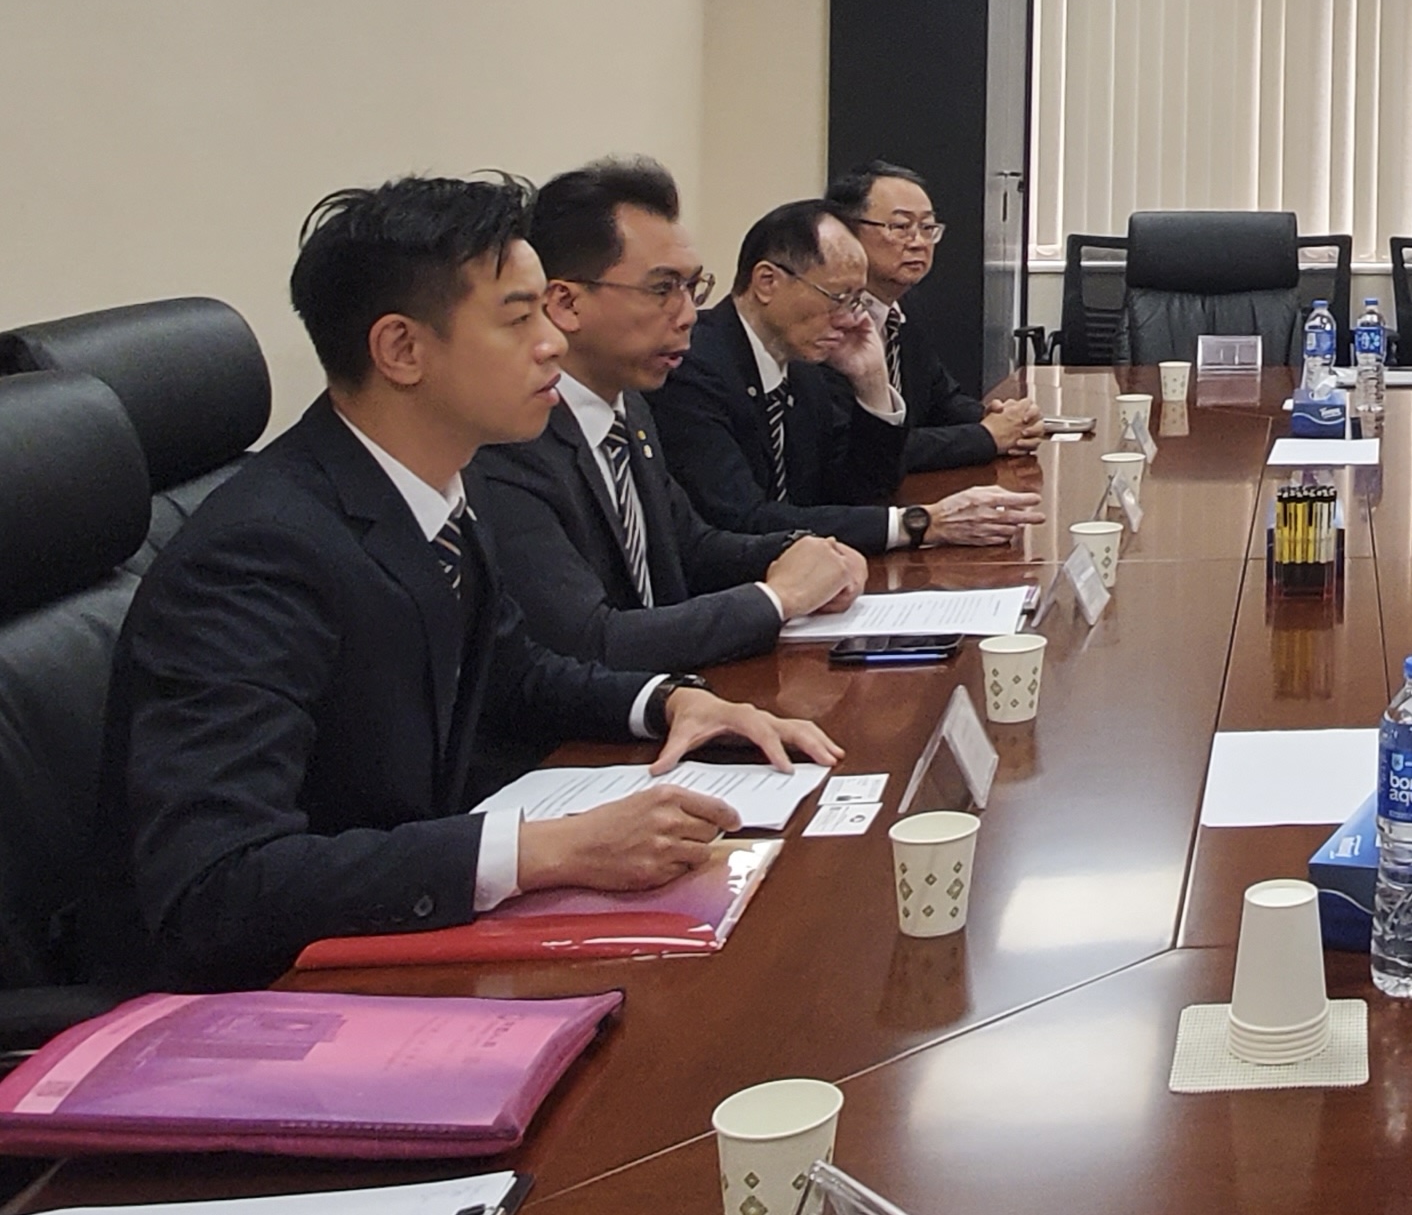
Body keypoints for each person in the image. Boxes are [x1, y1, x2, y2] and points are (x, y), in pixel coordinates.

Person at [86, 176, 843, 991]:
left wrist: (668, 701)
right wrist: (545, 849)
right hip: (257, 1001)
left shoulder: (434, 490)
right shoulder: (258, 553)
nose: (552, 341)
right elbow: (216, 886)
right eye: (518, 319)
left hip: (397, 945)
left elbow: (515, 672)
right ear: (402, 350)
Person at [474, 159, 866, 675]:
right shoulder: (513, 437)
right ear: (565, 303)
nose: (688, 315)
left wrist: (805, 550)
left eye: (691, 288)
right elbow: (591, 641)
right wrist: (779, 599)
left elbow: (690, 547)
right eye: (663, 289)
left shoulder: (630, 407)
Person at [659, 200, 1042, 555]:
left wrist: (872, 385)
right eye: (837, 297)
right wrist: (921, 523)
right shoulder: (692, 367)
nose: (848, 319)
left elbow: (861, 491)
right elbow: (743, 519)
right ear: (767, 282)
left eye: (856, 300)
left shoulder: (804, 365)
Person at [827, 160, 1045, 473]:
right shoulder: (830, 321)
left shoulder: (906, 307)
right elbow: (866, 448)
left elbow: (942, 400)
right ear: (847, 232)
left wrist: (1004, 419)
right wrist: (986, 436)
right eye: (900, 227)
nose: (918, 242)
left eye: (927, 228)